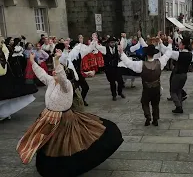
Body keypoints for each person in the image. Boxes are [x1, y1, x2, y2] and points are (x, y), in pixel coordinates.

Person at [16, 49, 123, 177]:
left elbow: (61, 77)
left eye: (56, 70)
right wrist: (32, 61)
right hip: (48, 117)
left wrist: (56, 61)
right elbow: (41, 73)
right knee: (47, 141)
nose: (54, 72)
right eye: (53, 71)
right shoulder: (51, 81)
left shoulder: (66, 85)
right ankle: (48, 165)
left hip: (63, 119)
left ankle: (67, 167)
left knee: (65, 142)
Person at [118, 38, 173, 126]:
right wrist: (169, 44)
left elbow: (128, 63)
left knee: (144, 102)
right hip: (156, 87)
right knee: (155, 104)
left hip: (146, 88)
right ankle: (155, 119)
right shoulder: (160, 62)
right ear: (154, 54)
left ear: (146, 54)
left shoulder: (141, 64)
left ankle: (148, 116)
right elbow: (168, 54)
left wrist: (121, 52)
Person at [167, 38, 193, 113]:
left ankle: (178, 106)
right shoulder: (190, 55)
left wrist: (170, 44)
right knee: (179, 90)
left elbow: (168, 52)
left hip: (177, 74)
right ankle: (179, 105)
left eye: (180, 43)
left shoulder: (178, 54)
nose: (179, 44)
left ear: (183, 46)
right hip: (184, 75)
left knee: (173, 91)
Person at [103, 36, 125, 101]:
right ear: (109, 43)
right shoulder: (105, 49)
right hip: (109, 68)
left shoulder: (117, 48)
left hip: (116, 67)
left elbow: (122, 47)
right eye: (111, 42)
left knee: (120, 81)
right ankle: (114, 95)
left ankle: (120, 92)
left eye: (113, 42)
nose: (112, 44)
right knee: (112, 82)